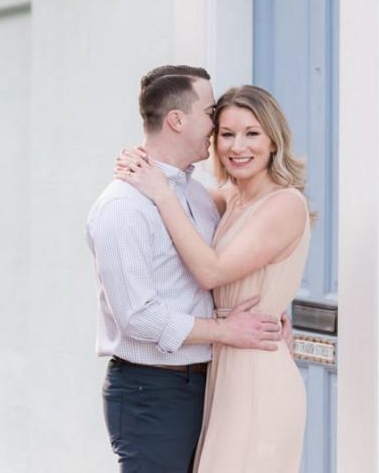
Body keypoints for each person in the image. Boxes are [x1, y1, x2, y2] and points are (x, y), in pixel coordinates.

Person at [86, 66, 285, 473]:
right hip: (152, 391)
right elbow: (137, 316)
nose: (217, 124)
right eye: (211, 113)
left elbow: (237, 250)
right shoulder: (123, 206)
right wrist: (225, 330)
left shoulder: (194, 194)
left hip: (207, 383)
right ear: (177, 120)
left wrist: (272, 304)